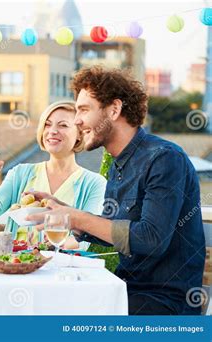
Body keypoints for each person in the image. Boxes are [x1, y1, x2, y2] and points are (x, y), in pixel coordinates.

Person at [28, 66, 205, 315]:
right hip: (125, 288)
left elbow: (151, 239)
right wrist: (67, 213)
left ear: (114, 109)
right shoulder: (118, 163)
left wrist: (77, 218)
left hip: (164, 302)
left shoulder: (164, 159)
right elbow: (118, 230)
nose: (77, 120)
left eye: (84, 109)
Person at [0, 101, 107, 249]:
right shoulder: (21, 173)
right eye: (47, 124)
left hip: (63, 269)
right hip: (18, 266)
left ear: (79, 134)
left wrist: (52, 244)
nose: (52, 131)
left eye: (63, 125)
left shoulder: (95, 183)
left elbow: (83, 240)